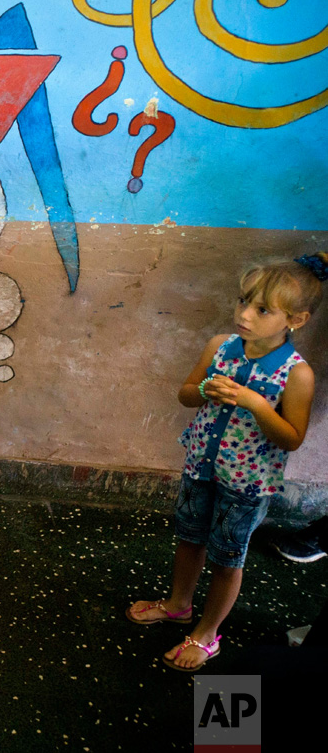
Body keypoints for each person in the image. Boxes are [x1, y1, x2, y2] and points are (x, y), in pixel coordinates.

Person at [126, 259, 321, 671]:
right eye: (244, 301)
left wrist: (253, 403)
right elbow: (185, 394)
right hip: (201, 466)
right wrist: (204, 389)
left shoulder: (297, 375)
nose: (245, 314)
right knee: (189, 538)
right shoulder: (220, 346)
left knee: (227, 557)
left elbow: (292, 437)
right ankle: (179, 604)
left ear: (297, 320)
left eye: (262, 309)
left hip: (247, 484)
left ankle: (207, 633)